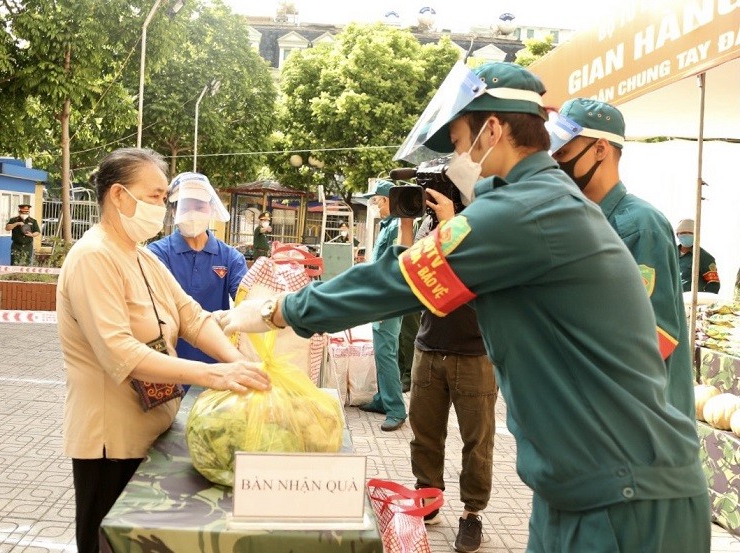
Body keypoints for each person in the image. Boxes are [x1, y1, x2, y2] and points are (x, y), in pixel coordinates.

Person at [217, 62, 710, 552]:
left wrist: (278, 310)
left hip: (624, 495)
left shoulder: (530, 210)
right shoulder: (533, 201)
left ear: (492, 130)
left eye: (457, 141)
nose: (456, 155)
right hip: (580, 485)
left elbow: (396, 280)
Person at [56, 148, 270, 553]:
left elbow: (193, 317)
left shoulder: (140, 257)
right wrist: (212, 375)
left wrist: (241, 362)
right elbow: (121, 351)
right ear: (119, 196)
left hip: (151, 428)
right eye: (154, 196)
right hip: (111, 441)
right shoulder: (92, 257)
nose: (163, 208)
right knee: (106, 542)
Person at [552, 98, 695, 420]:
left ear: (600, 149)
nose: (554, 162)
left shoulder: (640, 225)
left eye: (562, 152)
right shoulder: (581, 220)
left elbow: (654, 337)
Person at [407, 192, 497, 552]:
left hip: (475, 353)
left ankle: (472, 513)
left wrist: (450, 224)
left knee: (477, 441)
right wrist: (406, 220)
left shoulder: (488, 224)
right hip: (429, 347)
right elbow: (408, 271)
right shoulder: (430, 225)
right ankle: (428, 499)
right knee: (424, 434)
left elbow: (479, 275)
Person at [147, 172, 248, 383]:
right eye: (186, 206)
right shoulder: (157, 253)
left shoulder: (230, 257)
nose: (193, 213)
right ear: (174, 211)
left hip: (218, 364)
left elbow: (246, 301)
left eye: (200, 206)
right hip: (169, 365)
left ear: (211, 208)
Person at [356, 180, 408, 432]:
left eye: (376, 201)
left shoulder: (398, 226)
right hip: (381, 296)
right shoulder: (388, 225)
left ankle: (396, 408)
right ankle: (382, 399)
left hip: (388, 298)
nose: (375, 206)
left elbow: (394, 264)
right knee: (382, 349)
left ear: (387, 200)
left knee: (386, 351)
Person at [676, 218, 720, 293]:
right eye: (683, 233)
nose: (686, 235)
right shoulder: (671, 254)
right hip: (671, 300)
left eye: (690, 233)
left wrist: (703, 301)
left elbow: (713, 284)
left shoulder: (704, 257)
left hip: (690, 302)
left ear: (696, 235)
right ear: (677, 235)